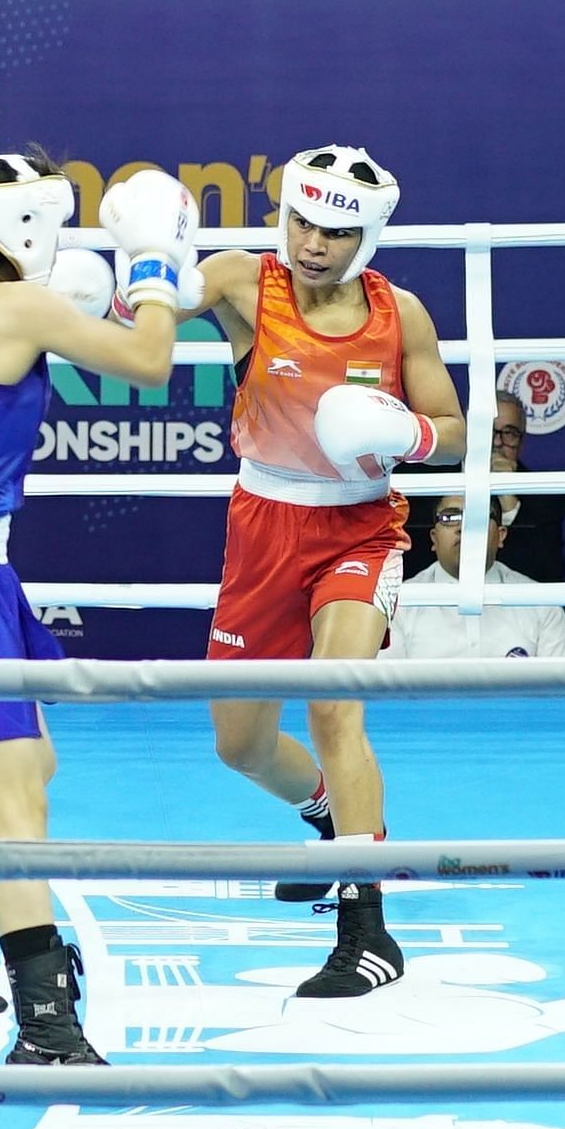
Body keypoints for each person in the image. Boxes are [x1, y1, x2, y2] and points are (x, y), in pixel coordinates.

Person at [0, 150, 198, 1064]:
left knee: (25, 770)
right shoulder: (15, 304)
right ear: (36, 222)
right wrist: (151, 263)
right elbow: (148, 358)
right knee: (15, 802)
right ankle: (47, 1027)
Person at [168, 144, 466, 1000]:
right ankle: (336, 819)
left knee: (336, 702)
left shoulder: (398, 313)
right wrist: (139, 272)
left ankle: (368, 930)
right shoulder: (238, 282)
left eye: (336, 230)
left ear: (367, 234)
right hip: (262, 523)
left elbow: (449, 426)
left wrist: (404, 433)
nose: (313, 243)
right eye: (302, 221)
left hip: (361, 528)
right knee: (242, 747)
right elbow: (138, 321)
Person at [396, 389, 565, 581]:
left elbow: (545, 575)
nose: (496, 441)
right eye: (487, 430)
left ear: (521, 444)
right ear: (465, 433)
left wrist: (510, 507)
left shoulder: (546, 499)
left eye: (510, 433)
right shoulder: (420, 480)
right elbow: (408, 561)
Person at [381, 493, 565, 658]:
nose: (463, 527)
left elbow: (564, 695)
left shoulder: (541, 603)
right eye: (450, 518)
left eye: (477, 516)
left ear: (501, 535)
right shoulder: (398, 603)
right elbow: (383, 694)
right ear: (434, 538)